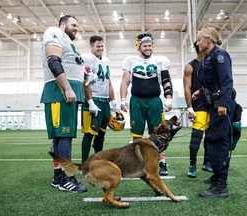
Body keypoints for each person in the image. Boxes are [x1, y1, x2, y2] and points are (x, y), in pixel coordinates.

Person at [40, 15, 87, 193]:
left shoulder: (68, 41)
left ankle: (59, 177)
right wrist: (67, 88)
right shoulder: (54, 32)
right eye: (73, 24)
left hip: (66, 94)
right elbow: (53, 61)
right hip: (60, 93)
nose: (76, 28)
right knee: (64, 136)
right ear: (63, 24)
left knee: (61, 137)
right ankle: (67, 178)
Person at [120, 31, 173, 176]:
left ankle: (161, 162)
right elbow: (125, 81)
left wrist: (168, 98)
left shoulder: (160, 61)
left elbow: (166, 80)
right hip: (136, 101)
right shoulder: (130, 60)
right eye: (145, 46)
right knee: (136, 135)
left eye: (150, 45)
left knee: (159, 134)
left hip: (155, 101)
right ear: (138, 46)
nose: (148, 48)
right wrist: (123, 99)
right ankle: (138, 162)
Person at [193, 27, 236, 198]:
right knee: (212, 139)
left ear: (209, 39)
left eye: (199, 40)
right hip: (213, 103)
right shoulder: (208, 57)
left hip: (221, 105)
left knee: (217, 140)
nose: (197, 43)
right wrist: (200, 91)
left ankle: (221, 186)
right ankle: (217, 176)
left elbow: (226, 81)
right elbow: (210, 83)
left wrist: (224, 103)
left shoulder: (220, 55)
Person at [80, 35, 116, 163]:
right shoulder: (86, 59)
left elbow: (109, 82)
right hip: (93, 99)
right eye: (97, 46)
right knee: (89, 134)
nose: (100, 48)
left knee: (101, 134)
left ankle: (98, 161)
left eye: (102, 46)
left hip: (105, 100)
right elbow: (85, 81)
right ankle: (84, 163)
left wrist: (113, 101)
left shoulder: (106, 60)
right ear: (91, 46)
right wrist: (90, 102)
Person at [183, 41, 213, 178]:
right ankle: (192, 165)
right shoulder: (190, 67)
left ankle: (207, 162)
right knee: (197, 137)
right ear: (200, 48)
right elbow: (187, 88)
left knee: (211, 136)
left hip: (213, 104)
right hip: (199, 105)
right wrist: (190, 108)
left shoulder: (212, 64)